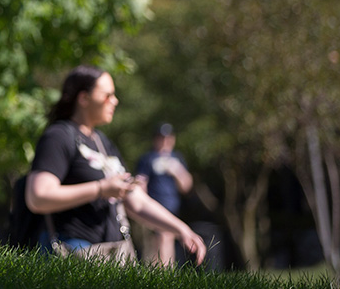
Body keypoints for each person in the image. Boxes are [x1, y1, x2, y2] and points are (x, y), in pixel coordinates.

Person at [24, 66, 206, 265]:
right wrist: (101, 189)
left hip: (111, 256)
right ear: (83, 98)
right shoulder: (58, 136)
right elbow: (38, 196)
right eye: (107, 95)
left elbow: (137, 200)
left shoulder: (102, 142)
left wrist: (181, 229)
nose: (115, 101)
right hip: (72, 253)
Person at [135, 123, 194, 267]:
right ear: (156, 139)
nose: (165, 141)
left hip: (172, 207)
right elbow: (141, 182)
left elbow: (186, 186)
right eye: (161, 138)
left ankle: (165, 273)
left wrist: (177, 171)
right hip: (154, 207)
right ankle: (162, 273)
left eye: (168, 138)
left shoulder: (177, 158)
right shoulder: (147, 158)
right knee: (161, 239)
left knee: (167, 238)